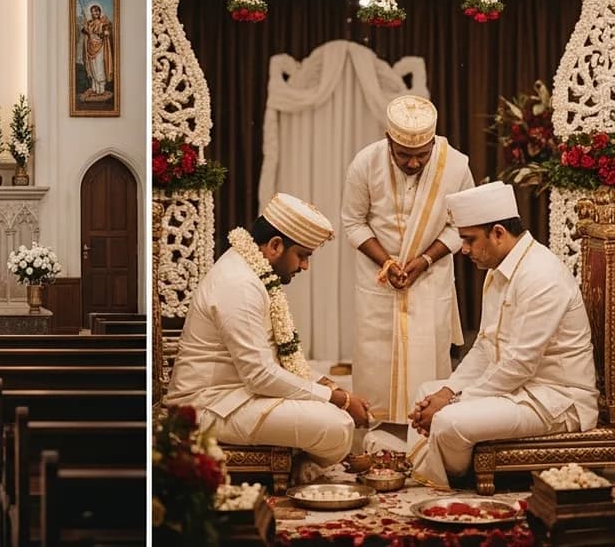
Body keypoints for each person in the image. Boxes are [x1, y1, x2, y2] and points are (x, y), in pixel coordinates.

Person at [405, 182, 598, 489]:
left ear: (498, 232)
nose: (463, 249)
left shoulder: (541, 276)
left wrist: (454, 401)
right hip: (518, 388)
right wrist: (448, 390)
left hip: (554, 399)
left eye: (469, 239)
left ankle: (451, 479)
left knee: (448, 420)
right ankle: (433, 469)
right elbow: (485, 346)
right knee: (426, 391)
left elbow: (520, 365)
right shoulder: (500, 269)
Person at [165, 194, 369, 472]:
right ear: (275, 246)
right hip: (207, 407)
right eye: (303, 255)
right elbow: (260, 375)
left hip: (237, 396)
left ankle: (300, 462)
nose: (305, 266)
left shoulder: (250, 272)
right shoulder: (239, 285)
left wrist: (329, 386)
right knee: (338, 424)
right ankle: (302, 465)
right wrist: (338, 398)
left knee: (332, 403)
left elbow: (276, 358)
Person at [343, 95, 475, 430]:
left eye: (422, 155)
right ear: (388, 141)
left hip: (429, 278)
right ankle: (377, 438)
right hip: (378, 279)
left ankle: (425, 436)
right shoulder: (365, 163)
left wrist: (426, 260)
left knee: (426, 360)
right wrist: (386, 262)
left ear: (433, 142)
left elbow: (463, 224)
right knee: (376, 362)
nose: (414, 163)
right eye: (404, 155)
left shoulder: (455, 165)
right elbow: (353, 222)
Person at [79, 3, 113, 99]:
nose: (96, 13)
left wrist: (105, 33)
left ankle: (101, 89)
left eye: (97, 10)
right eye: (94, 11)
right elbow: (84, 30)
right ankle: (94, 88)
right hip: (90, 47)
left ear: (100, 12)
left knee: (99, 67)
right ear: (91, 13)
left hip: (100, 47)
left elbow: (105, 31)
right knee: (93, 67)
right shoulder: (89, 23)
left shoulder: (102, 23)